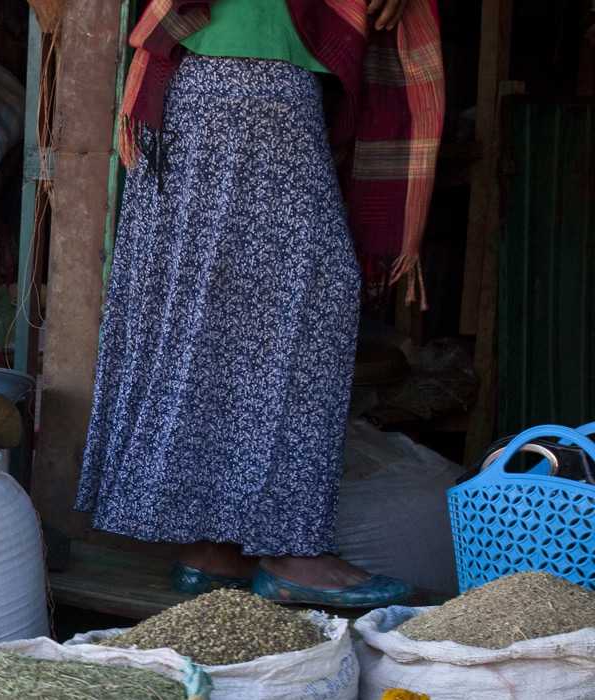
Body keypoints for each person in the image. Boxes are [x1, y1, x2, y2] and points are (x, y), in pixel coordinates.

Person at [75, 0, 442, 608]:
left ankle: (210, 548)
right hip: (251, 80)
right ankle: (296, 551)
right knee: (310, 302)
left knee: (212, 308)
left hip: (199, 85)